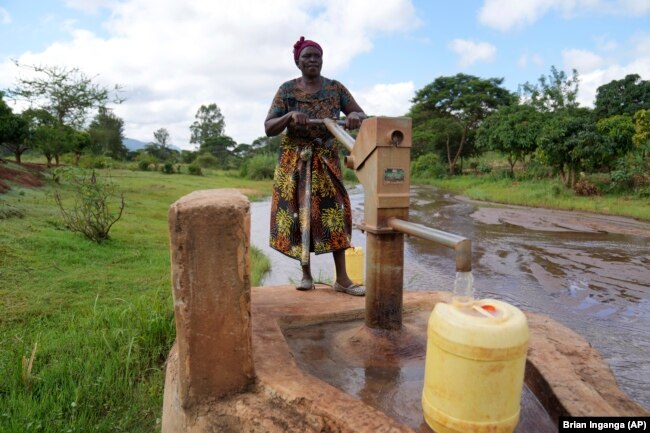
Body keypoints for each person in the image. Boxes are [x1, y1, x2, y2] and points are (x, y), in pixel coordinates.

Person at [264, 36, 366, 296]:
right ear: (298, 62)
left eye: (316, 56)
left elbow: (361, 115)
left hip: (325, 158)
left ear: (322, 60)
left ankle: (342, 279)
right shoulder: (286, 90)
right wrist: (288, 116)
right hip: (295, 160)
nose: (312, 60)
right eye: (307, 56)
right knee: (301, 214)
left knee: (335, 213)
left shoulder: (335, 89)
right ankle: (306, 274)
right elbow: (268, 127)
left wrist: (354, 116)